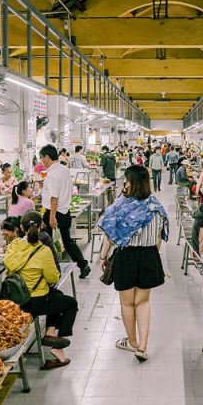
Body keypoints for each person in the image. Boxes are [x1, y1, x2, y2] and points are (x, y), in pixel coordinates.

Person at [97, 165, 168, 362]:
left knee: (127, 303)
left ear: (132, 182)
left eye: (127, 180)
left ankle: (132, 342)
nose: (125, 183)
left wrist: (103, 257)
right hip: (149, 256)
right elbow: (159, 238)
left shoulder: (121, 206)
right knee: (143, 302)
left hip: (126, 257)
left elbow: (109, 235)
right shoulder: (156, 206)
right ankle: (143, 347)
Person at [4, 214, 77, 369]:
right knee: (70, 304)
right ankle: (58, 346)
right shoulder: (43, 251)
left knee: (57, 297)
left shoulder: (13, 246)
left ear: (21, 228)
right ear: (41, 226)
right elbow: (53, 278)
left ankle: (50, 334)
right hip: (36, 302)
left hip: (17, 301)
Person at [39, 144, 90, 278]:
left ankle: (52, 271)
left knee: (47, 243)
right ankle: (83, 264)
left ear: (47, 157)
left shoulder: (51, 174)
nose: (41, 161)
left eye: (41, 158)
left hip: (54, 213)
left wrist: (51, 217)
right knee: (67, 241)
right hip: (65, 211)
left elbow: (54, 198)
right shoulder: (64, 169)